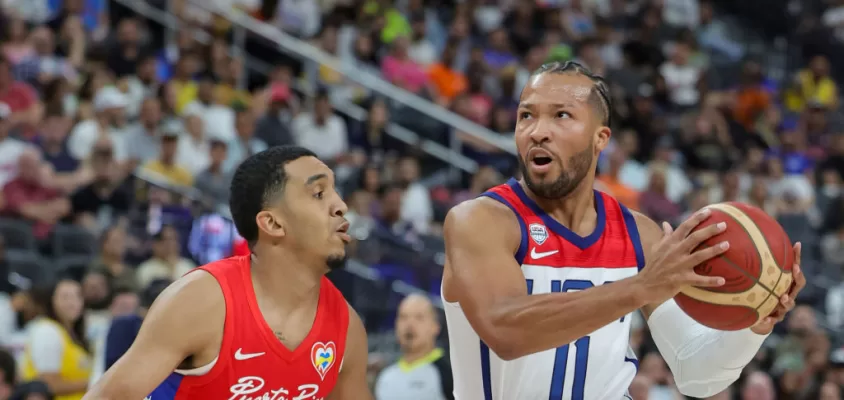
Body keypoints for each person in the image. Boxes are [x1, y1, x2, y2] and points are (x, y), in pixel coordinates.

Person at [441, 61, 807, 399]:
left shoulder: (639, 235)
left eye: (561, 115)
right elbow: (506, 331)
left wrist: (756, 321)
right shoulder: (480, 221)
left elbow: (695, 371)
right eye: (526, 116)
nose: (538, 132)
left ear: (600, 138)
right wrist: (639, 287)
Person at [84, 146, 372, 399]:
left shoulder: (346, 328)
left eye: (335, 191)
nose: (341, 206)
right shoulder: (203, 302)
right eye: (319, 193)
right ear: (272, 223)